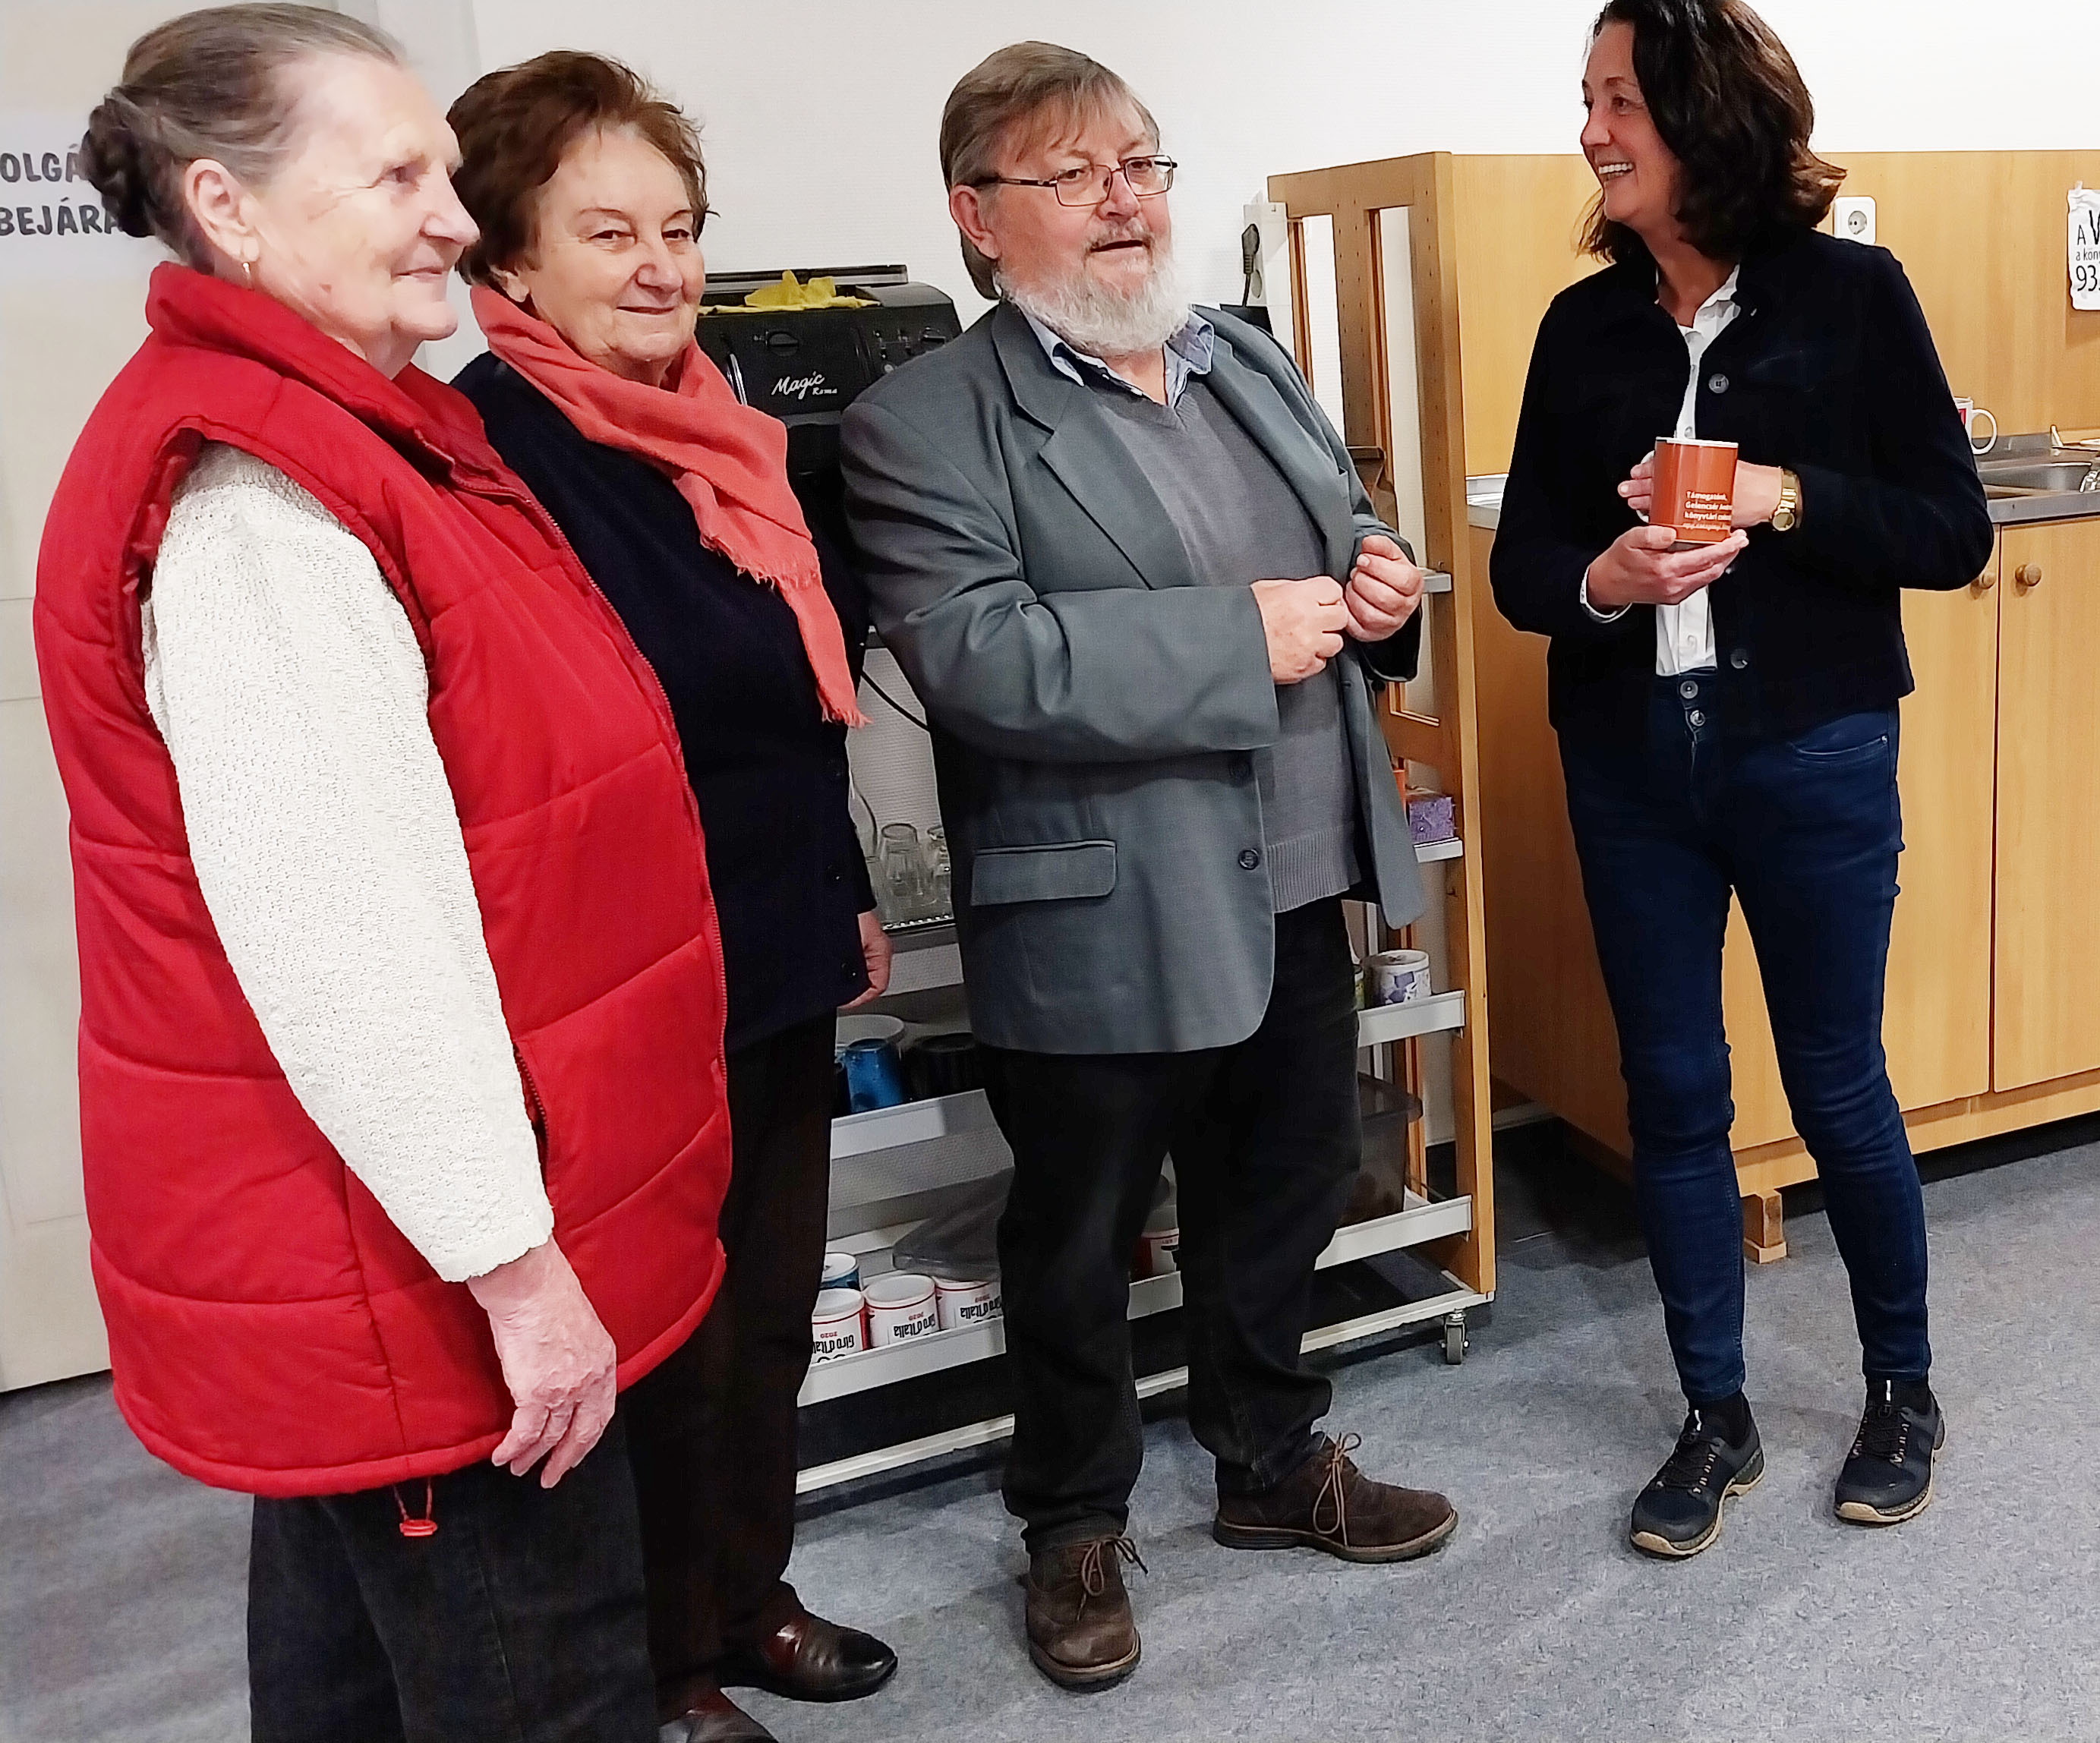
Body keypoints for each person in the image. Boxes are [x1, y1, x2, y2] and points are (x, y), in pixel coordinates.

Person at [37, 10, 735, 1738]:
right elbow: (349, 946)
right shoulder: (259, 497)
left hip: (387, 1246)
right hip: (409, 1271)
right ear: (230, 206)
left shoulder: (359, 426)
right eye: (400, 175)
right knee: (537, 1684)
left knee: (351, 1677)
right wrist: (517, 1275)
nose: (452, 217)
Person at [841, 40, 1458, 1693]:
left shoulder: (1240, 353)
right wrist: (1235, 636)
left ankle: (1269, 1458)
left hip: (1297, 869)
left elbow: (1335, 532)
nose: (1123, 201)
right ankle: (1071, 1520)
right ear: (977, 216)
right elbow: (980, 658)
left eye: (1139, 164)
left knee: (1281, 1190)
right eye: (1071, 175)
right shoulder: (925, 421)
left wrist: (1374, 581)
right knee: (1080, 1235)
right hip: (1101, 907)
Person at [1490, 0, 1991, 1560]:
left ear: (1704, 113)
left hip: (1812, 746)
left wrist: (1781, 496)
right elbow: (1520, 567)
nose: (1591, 130)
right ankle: (1716, 1411)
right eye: (1586, 98)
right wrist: (1607, 578)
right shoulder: (1581, 327)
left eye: (1619, 99)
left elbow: (1950, 532)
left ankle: (1901, 1389)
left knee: (1836, 1081)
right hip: (1631, 760)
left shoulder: (1852, 296)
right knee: (1673, 1090)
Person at [446, 53, 897, 1743]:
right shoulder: (490, 454)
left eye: (680, 229)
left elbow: (794, 702)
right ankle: (653, 1668)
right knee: (659, 1341)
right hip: (623, 981)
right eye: (609, 231)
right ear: (510, 257)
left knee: (769, 1314)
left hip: (771, 944)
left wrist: (847, 890)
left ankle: (742, 1596)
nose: (659, 267)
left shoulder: (725, 437)